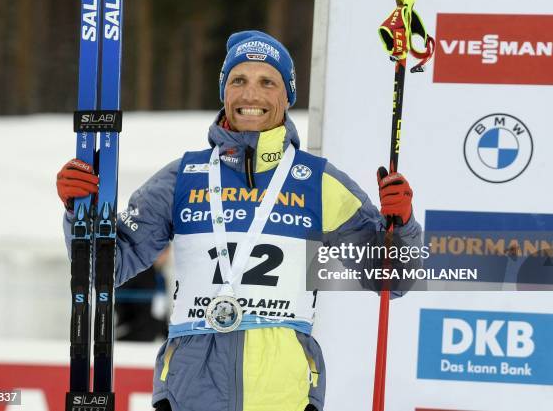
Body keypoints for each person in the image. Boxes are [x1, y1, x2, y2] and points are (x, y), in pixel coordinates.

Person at [56, 30, 421, 411]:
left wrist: (403, 224)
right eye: (238, 81)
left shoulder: (318, 182)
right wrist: (79, 212)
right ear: (224, 91)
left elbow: (392, 278)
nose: (251, 95)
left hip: (286, 396)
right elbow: (105, 269)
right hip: (189, 394)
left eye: (267, 82)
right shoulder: (184, 176)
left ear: (287, 96)